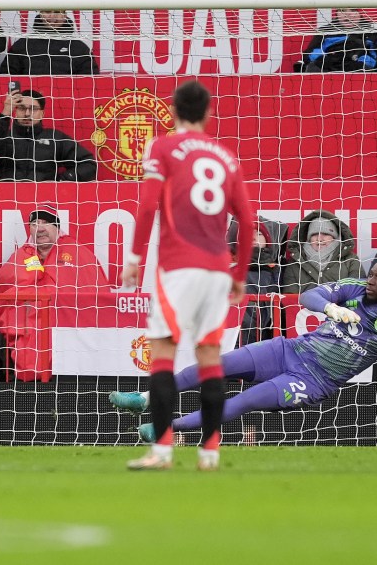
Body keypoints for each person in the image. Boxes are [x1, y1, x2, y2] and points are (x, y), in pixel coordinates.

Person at [110, 252, 377, 442]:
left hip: (315, 381)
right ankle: (144, 400)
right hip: (289, 350)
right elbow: (310, 295)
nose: (371, 281)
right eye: (371, 274)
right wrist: (329, 307)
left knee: (242, 402)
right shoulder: (353, 288)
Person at [120, 80, 255, 472]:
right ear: (208, 113)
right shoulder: (225, 157)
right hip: (217, 270)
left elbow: (147, 208)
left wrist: (134, 258)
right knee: (210, 358)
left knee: (163, 353)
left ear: (173, 112)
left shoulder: (162, 147)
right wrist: (240, 272)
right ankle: (210, 453)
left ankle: (161, 451)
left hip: (178, 267)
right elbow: (246, 220)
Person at [0, 205, 110, 381]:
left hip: (68, 324)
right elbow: (6, 290)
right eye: (34, 224)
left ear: (57, 228)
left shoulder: (78, 254)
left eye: (45, 223)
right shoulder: (21, 256)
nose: (39, 228)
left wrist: (47, 295)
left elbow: (93, 292)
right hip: (29, 321)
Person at [0, 89, 97, 181]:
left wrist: (62, 181)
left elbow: (89, 164)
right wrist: (5, 114)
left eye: (33, 109)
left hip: (44, 201)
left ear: (42, 114)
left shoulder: (55, 138)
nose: (27, 113)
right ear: (15, 110)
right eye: (21, 108)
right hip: (7, 201)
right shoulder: (3, 137)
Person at [227, 215, 287, 346]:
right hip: (231, 343)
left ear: (268, 240)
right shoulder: (225, 271)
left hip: (267, 345)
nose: (253, 237)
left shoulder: (281, 271)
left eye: (259, 233)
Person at [282, 210, 362, 294]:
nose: (319, 239)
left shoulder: (351, 260)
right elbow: (290, 299)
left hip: (341, 307)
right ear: (308, 238)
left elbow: (357, 293)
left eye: (325, 234)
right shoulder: (295, 263)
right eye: (314, 234)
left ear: (334, 237)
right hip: (304, 307)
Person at [0, 10, 99, 75]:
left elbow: (90, 80)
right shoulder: (23, 44)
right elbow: (6, 75)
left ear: (65, 15)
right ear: (41, 15)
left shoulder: (79, 48)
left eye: (57, 12)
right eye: (47, 12)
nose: (52, 16)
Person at [295, 8, 377, 73]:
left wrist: (360, 61)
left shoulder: (374, 34)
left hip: (361, 77)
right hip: (328, 73)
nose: (347, 14)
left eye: (353, 10)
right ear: (337, 13)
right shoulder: (325, 33)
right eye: (343, 10)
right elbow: (308, 55)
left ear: (360, 13)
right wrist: (327, 60)